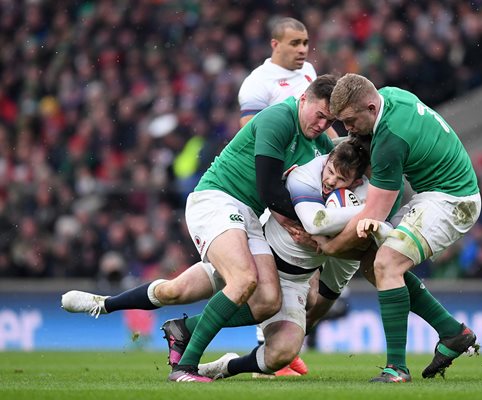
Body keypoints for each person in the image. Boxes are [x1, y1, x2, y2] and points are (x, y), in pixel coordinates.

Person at [62, 74, 338, 383]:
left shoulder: (320, 143)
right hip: (216, 200)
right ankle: (185, 368)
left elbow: (335, 169)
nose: (322, 125)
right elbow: (271, 191)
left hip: (248, 216)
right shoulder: (278, 118)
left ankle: (112, 306)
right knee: (243, 279)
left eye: (330, 120)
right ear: (304, 100)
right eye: (320, 115)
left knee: (263, 302)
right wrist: (311, 227)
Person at [315, 73, 482, 383]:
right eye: (343, 122)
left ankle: (397, 369)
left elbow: (372, 216)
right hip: (434, 194)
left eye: (351, 120)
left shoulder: (391, 138)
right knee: (370, 266)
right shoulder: (389, 95)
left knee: (387, 263)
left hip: (452, 201)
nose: (347, 129)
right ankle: (453, 333)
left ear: (369, 107)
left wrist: (329, 248)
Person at [186, 137, 370, 379]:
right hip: (262, 251)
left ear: (356, 182)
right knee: (179, 291)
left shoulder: (362, 194)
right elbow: (315, 223)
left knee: (282, 350)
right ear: (326, 162)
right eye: (331, 172)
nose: (331, 181)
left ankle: (225, 366)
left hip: (296, 275)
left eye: (341, 179)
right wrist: (338, 232)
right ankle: (182, 341)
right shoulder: (305, 176)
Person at [238, 16, 337, 376]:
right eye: (294, 43)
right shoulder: (256, 85)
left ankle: (279, 348)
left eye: (306, 42)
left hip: (305, 186)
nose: (302, 50)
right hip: (277, 191)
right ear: (274, 44)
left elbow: (319, 129)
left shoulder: (310, 73)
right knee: (272, 285)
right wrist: (282, 209)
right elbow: (255, 141)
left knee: (308, 291)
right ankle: (272, 350)